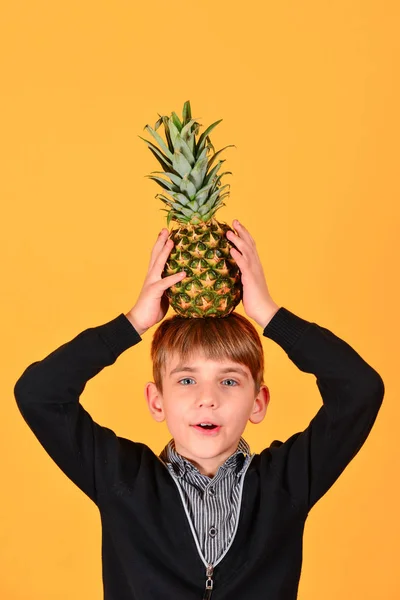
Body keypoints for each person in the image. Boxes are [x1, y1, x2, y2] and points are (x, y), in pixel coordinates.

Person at [14, 220, 385, 599]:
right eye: (187, 380)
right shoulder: (122, 480)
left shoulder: (285, 483)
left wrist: (270, 314)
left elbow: (359, 389)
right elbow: (39, 394)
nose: (207, 398)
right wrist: (133, 323)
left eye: (229, 381)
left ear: (258, 402)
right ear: (156, 401)